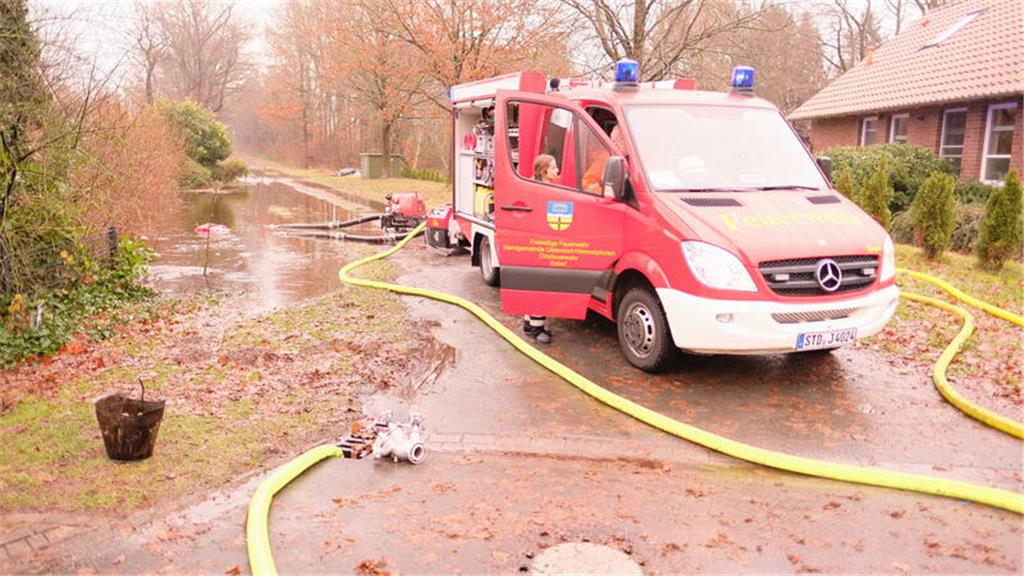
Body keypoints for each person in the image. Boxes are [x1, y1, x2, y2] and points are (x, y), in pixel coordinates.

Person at [523, 154, 558, 344]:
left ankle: (529, 323)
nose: (557, 170)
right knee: (541, 285)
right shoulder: (541, 190)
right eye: (554, 168)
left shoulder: (541, 188)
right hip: (539, 243)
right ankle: (537, 328)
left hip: (540, 242)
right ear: (544, 171)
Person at [582, 125, 625, 195]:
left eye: (620, 139)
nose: (615, 144)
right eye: (613, 141)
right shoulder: (605, 157)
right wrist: (604, 192)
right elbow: (586, 182)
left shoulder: (639, 159)